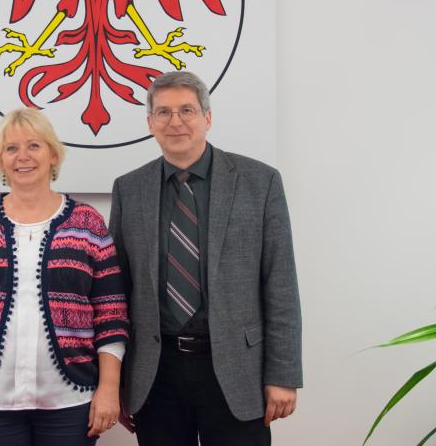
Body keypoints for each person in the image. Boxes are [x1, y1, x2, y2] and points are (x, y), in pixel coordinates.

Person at [109, 71, 302, 446]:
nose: (175, 121)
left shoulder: (259, 182)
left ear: (207, 118)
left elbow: (280, 283)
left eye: (187, 110)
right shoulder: (129, 189)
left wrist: (283, 374)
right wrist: (115, 381)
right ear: (150, 123)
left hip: (236, 368)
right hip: (156, 371)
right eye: (163, 112)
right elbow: (117, 293)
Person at [0, 108, 130, 446]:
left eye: (34, 146)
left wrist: (110, 389)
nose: (22, 157)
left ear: (53, 154)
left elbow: (111, 313)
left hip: (71, 400)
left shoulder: (88, 223)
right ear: (0, 160)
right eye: (11, 148)